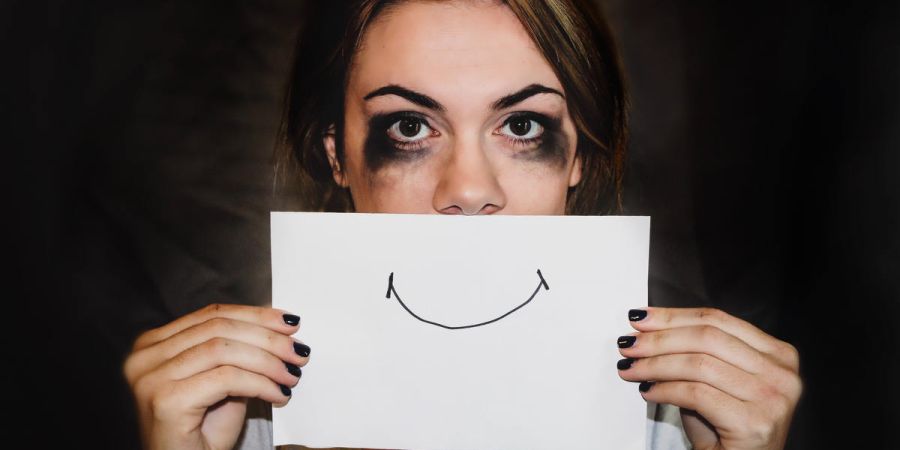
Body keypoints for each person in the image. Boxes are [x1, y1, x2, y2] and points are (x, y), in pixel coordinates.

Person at [123, 0, 802, 449]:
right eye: (411, 127)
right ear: (338, 156)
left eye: (523, 126)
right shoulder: (239, 424)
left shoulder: (688, 426)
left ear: (578, 159)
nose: (469, 190)